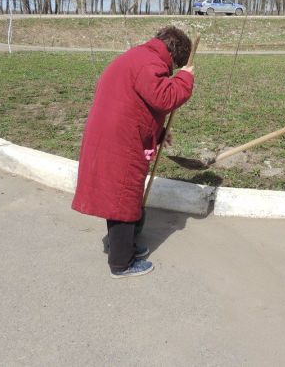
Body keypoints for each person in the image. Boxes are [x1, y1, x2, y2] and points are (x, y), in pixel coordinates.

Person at [72, 26, 195, 277]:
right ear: (173, 55)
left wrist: (157, 134)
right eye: (175, 65)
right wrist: (184, 77)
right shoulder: (149, 63)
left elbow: (135, 105)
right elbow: (164, 97)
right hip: (120, 142)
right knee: (123, 197)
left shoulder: (138, 56)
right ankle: (121, 263)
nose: (171, 70)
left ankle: (123, 245)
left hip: (111, 135)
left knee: (116, 196)